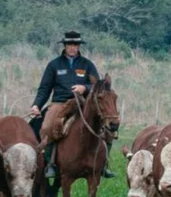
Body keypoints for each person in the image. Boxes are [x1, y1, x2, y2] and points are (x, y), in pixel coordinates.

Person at [29, 31, 115, 181]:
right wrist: (36, 105)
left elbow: (97, 86)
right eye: (70, 44)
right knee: (48, 127)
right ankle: (50, 164)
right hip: (60, 103)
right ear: (65, 45)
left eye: (75, 45)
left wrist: (85, 88)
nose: (73, 48)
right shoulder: (54, 65)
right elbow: (44, 88)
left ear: (79, 46)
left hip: (84, 103)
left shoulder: (87, 64)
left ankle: (104, 164)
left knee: (108, 128)